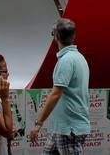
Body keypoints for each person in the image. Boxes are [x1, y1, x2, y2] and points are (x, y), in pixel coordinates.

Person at [28, 18, 90, 154]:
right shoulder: (78, 58)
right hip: (62, 127)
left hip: (69, 129)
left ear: (56, 36)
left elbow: (56, 94)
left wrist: (38, 124)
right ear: (73, 36)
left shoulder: (66, 61)